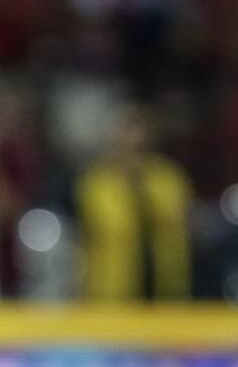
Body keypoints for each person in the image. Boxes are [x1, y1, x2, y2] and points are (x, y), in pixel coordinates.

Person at [75, 103, 194, 302]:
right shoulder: (96, 183)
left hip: (167, 291)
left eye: (139, 147)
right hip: (113, 294)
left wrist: (140, 186)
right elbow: (90, 235)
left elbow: (177, 222)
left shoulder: (169, 178)